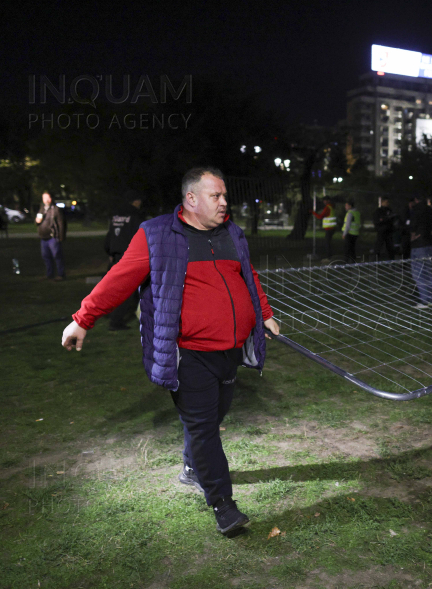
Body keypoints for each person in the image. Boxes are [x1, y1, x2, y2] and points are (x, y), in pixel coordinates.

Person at [61, 167, 280, 536]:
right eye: (216, 196)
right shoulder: (157, 234)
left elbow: (249, 275)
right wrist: (83, 318)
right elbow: (119, 280)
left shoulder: (231, 233)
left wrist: (266, 315)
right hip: (187, 353)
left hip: (229, 351)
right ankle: (223, 505)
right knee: (205, 427)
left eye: (225, 195)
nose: (225, 202)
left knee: (210, 418)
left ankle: (193, 468)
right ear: (191, 199)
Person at [103, 190, 144, 330]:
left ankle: (107, 313)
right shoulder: (136, 216)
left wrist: (109, 252)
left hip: (115, 257)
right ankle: (116, 321)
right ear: (136, 201)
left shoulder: (116, 215)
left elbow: (110, 235)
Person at [407, 194, 432, 308]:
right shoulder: (431, 210)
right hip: (429, 243)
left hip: (419, 244)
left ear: (416, 199)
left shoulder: (416, 209)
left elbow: (413, 225)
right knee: (427, 271)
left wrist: (413, 235)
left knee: (418, 273)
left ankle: (424, 300)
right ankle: (430, 299)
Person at [35, 191, 67, 280]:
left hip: (53, 237)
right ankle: (49, 274)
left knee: (57, 256)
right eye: (43, 198)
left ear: (50, 199)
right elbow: (37, 221)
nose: (44, 200)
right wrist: (37, 221)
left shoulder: (55, 209)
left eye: (46, 197)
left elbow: (61, 224)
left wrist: (61, 236)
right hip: (43, 237)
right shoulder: (42, 209)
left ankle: (61, 274)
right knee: (46, 257)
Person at [342, 198, 361, 262]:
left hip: (349, 233)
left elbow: (347, 225)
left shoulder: (350, 213)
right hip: (355, 233)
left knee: (347, 249)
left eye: (346, 205)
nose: (345, 207)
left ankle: (345, 262)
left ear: (350, 206)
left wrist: (344, 234)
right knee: (352, 249)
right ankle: (353, 262)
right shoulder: (357, 212)